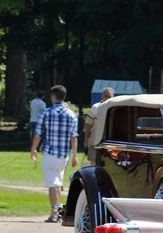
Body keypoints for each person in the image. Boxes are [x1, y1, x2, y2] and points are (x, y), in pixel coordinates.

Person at [30, 85, 78, 223]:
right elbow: (74, 137)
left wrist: (33, 148)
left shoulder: (47, 112)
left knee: (53, 183)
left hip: (50, 152)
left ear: (53, 96)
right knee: (58, 182)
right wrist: (75, 155)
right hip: (64, 154)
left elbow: (38, 133)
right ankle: (58, 211)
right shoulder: (72, 114)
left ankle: (54, 213)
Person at [83, 87, 114, 160]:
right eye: (105, 96)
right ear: (102, 96)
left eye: (109, 96)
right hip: (95, 141)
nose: (107, 98)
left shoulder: (115, 108)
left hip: (110, 143)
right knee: (93, 162)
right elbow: (88, 124)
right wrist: (86, 140)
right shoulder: (95, 107)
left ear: (113, 97)